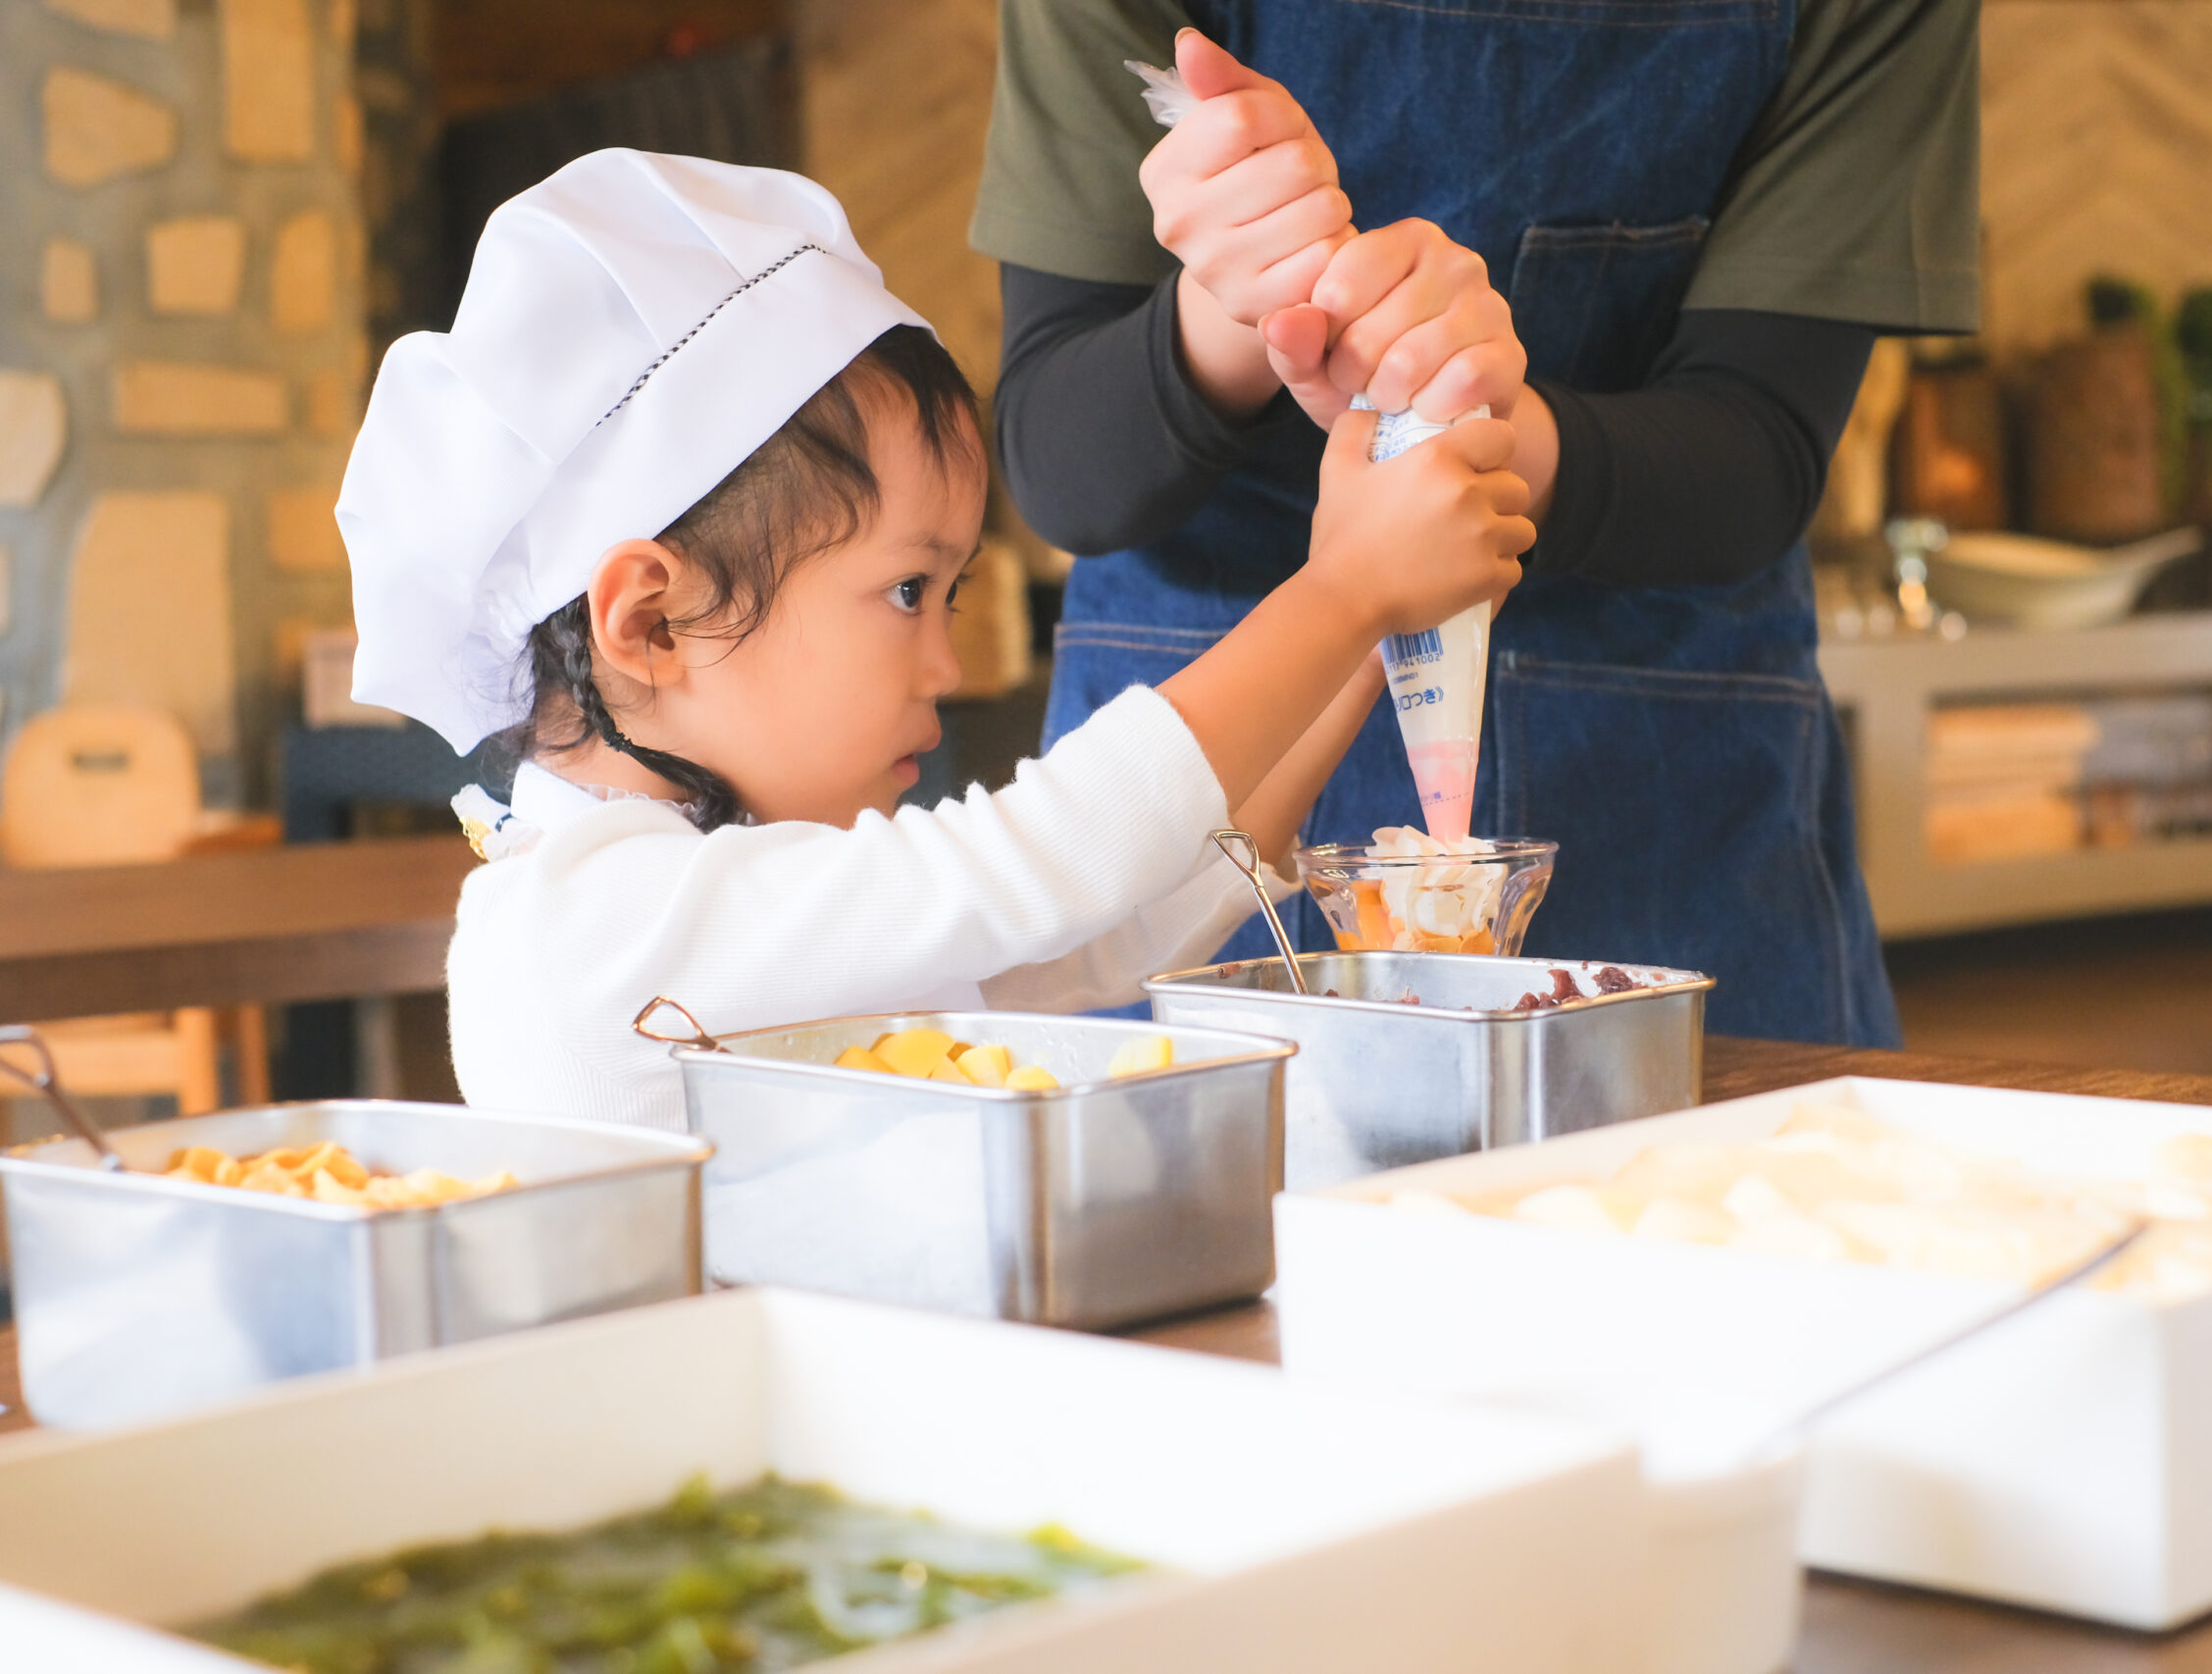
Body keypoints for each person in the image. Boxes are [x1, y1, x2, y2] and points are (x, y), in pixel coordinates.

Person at [336, 148, 1531, 1128]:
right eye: (909, 590)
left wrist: (1378, 632)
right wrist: (1344, 591)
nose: (950, 667)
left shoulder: (733, 894)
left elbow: (1102, 932)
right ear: (651, 621)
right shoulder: (587, 929)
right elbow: (1037, 866)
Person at [975, 6, 1981, 1045]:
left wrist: (1482, 430)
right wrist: (1233, 312)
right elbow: (1065, 473)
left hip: (1674, 793)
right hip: (1208, 759)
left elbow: (1758, 454)